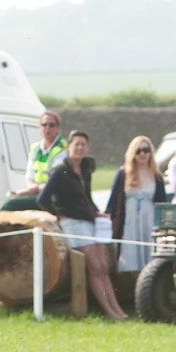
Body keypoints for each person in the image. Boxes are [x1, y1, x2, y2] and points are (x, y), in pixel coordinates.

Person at [41, 130, 126, 319]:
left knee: (103, 266)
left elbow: (86, 195)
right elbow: (43, 198)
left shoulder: (85, 169)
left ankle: (118, 310)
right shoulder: (61, 170)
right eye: (76, 144)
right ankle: (110, 311)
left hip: (88, 221)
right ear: (68, 147)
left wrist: (96, 211)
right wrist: (59, 214)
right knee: (95, 267)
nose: (79, 148)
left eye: (83, 145)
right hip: (73, 223)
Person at [106, 135, 168, 282]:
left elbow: (162, 204)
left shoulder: (156, 176)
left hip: (149, 222)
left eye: (146, 150)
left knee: (151, 260)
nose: (142, 154)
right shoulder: (123, 174)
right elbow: (113, 202)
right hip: (130, 223)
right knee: (131, 260)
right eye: (138, 151)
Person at [18, 110, 66, 196]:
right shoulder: (35, 148)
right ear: (39, 127)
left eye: (51, 125)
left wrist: (37, 188)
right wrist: (31, 185)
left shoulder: (63, 148)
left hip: (54, 194)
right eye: (44, 124)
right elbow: (29, 175)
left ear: (58, 128)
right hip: (36, 192)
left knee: (10, 204)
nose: (47, 128)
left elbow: (57, 178)